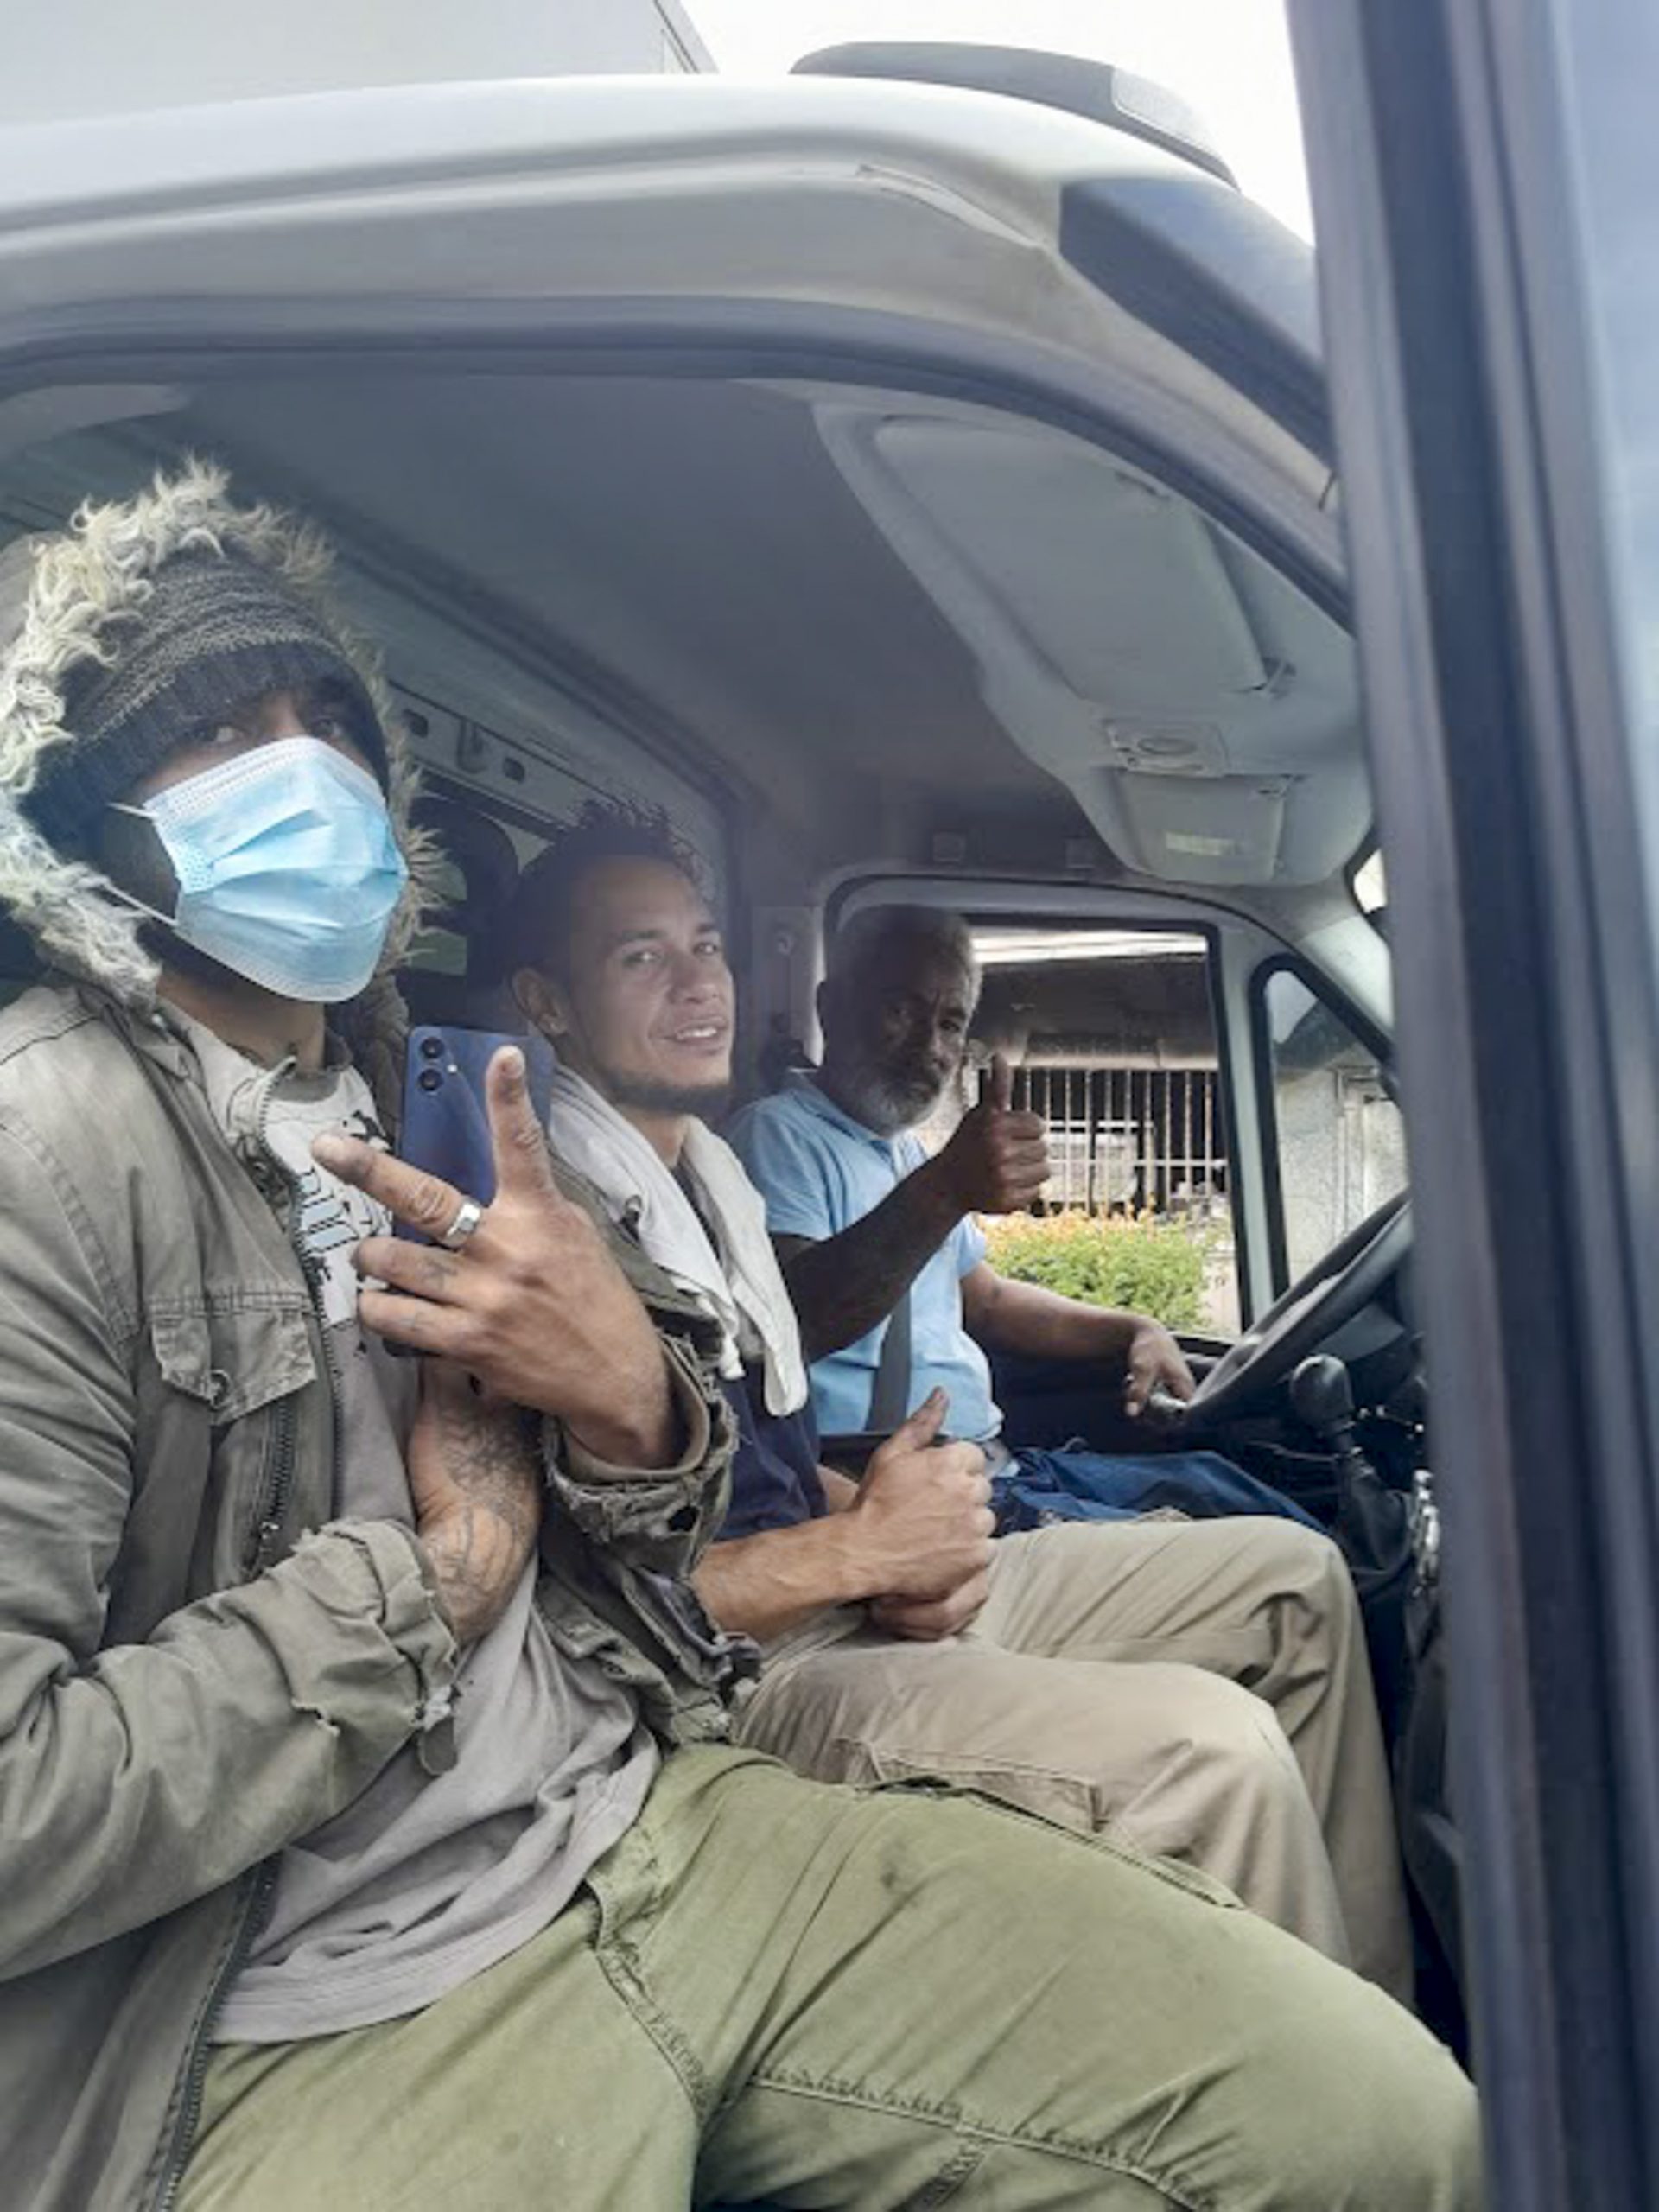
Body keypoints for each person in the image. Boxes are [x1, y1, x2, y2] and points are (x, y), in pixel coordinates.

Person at [0, 464, 1480, 2212]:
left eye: (326, 718)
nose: (303, 769)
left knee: (1392, 2130)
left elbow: (621, 1584)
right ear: (94, 821)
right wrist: (440, 1579)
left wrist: (630, 1406)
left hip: (640, 1809)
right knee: (1206, 1759)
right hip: (322, 1987)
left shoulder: (433, 1111)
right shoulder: (51, 1150)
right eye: (215, 732)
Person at [500, 804, 1415, 2002]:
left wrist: (890, 1532)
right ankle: (1325, 2103)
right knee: (1217, 1752)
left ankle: (1383, 2024)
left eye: (706, 945)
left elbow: (760, 1462)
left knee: (1295, 1581)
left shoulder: (702, 1186)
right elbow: (594, 1604)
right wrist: (862, 1547)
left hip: (853, 1570)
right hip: (748, 1673)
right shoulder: (557, 1243)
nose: (696, 981)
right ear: (548, 1003)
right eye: (640, 955)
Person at [728, 903, 1311, 1534]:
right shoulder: (777, 1137)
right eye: (900, 1010)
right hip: (892, 1486)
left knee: (1221, 1485)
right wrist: (946, 1189)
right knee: (1256, 1544)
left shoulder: (903, 1154)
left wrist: (1135, 1328)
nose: (930, 1048)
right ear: (832, 1009)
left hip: (994, 1467)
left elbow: (989, 1302)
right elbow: (796, 1322)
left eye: (951, 1023)